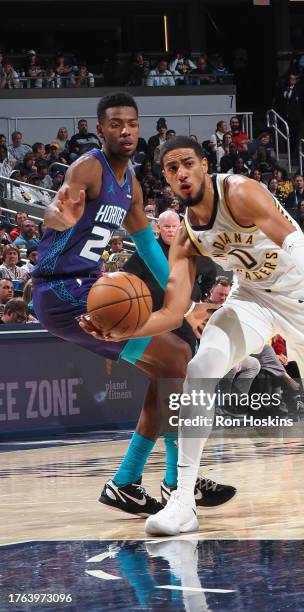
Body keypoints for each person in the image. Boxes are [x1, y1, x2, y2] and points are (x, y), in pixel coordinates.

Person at [84, 135, 304, 536]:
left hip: (302, 296)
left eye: (187, 164)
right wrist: (120, 330)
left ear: (203, 164)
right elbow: (173, 309)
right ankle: (182, 501)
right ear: (165, 179)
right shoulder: (185, 236)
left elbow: (294, 240)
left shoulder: (238, 191)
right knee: (200, 365)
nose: (181, 173)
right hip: (251, 297)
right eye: (171, 169)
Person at [32, 94, 229, 519]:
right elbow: (57, 207)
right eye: (116, 123)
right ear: (100, 129)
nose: (125, 130)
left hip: (86, 285)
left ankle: (131, 483)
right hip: (61, 290)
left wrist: (188, 303)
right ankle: (177, 481)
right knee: (176, 359)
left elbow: (152, 251)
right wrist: (56, 215)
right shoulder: (88, 168)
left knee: (173, 366)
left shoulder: (132, 187)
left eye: (132, 123)